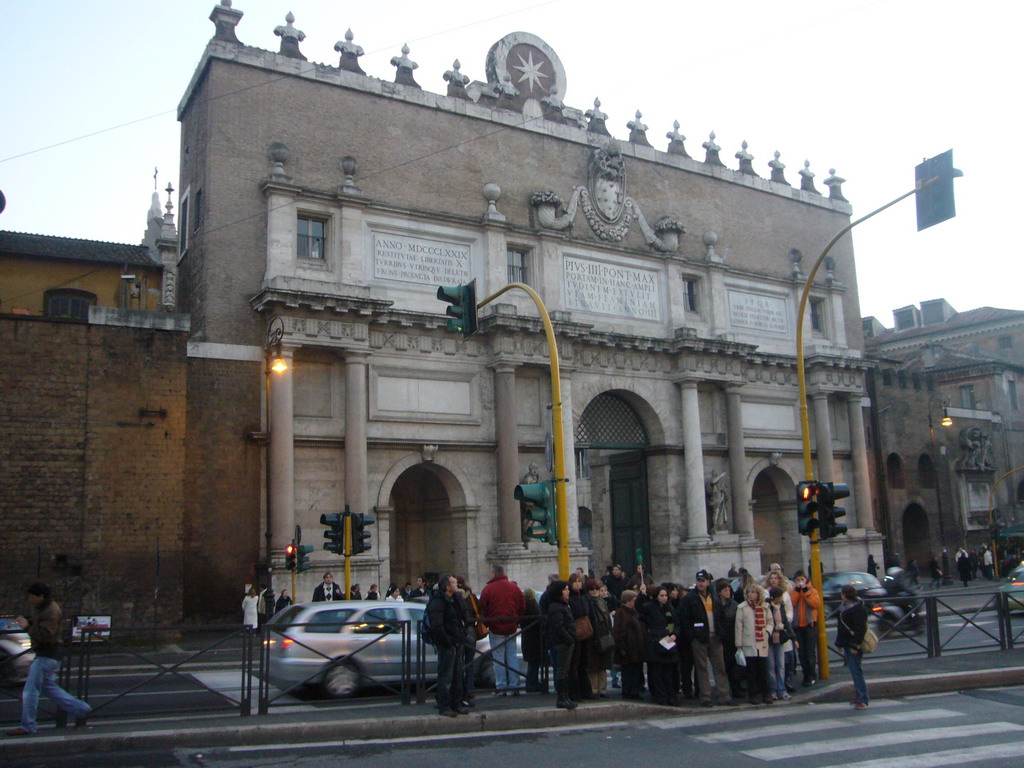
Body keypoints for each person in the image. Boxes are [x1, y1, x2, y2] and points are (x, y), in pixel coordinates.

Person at [6, 583, 93, 736]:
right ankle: (81, 709)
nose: (30, 599)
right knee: (49, 688)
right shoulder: (43, 608)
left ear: (41, 596)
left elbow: (46, 635)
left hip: (47, 654)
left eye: (32, 596)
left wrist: (27, 627)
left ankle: (28, 726)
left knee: (30, 691)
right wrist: (29, 622)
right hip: (48, 654)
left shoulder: (51, 611)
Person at [679, 569, 732, 707]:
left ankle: (724, 695)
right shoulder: (690, 598)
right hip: (699, 638)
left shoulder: (714, 597)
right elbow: (684, 619)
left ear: (708, 582)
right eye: (698, 581)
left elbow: (721, 616)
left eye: (703, 581)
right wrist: (692, 637)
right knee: (701, 668)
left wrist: (721, 632)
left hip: (715, 637)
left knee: (719, 667)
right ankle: (705, 696)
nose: (700, 583)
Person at [478, 564, 525, 695]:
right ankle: (515, 686)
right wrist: (517, 621)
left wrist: (487, 623)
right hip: (511, 627)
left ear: (493, 573)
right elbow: (522, 605)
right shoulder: (514, 588)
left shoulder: (488, 589)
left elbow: (482, 607)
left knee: (498, 658)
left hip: (496, 627)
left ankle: (501, 686)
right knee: (512, 656)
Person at [425, 574, 469, 717]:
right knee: (446, 676)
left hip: (457, 641)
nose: (458, 585)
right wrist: (448, 642)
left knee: (457, 675)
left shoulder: (454, 600)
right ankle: (444, 706)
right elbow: (437, 626)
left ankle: (456, 704)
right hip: (448, 644)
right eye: (454, 583)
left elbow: (464, 615)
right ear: (447, 587)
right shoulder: (438, 602)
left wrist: (459, 598)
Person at [735, 585, 774, 705]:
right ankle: (753, 695)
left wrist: (767, 631)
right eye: (749, 592)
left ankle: (766, 694)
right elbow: (739, 626)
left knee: (763, 670)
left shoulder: (765, 606)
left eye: (753, 592)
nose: (751, 594)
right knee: (751, 671)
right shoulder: (742, 607)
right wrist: (739, 644)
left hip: (762, 642)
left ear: (758, 594)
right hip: (748, 642)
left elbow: (770, 622)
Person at [642, 584, 679, 706]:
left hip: (669, 644)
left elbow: (676, 624)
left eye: (665, 595)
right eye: (661, 595)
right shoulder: (650, 607)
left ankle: (671, 696)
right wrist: (643, 594)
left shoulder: (670, 608)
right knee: (657, 673)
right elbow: (641, 613)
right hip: (656, 644)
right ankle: (660, 696)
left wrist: (674, 634)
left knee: (668, 673)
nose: (664, 598)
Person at [544, 580, 577, 709]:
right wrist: (569, 639)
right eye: (565, 590)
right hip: (562, 643)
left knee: (565, 670)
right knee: (562, 671)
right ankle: (561, 698)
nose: (568, 592)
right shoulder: (556, 607)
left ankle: (565, 697)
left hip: (566, 642)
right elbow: (559, 627)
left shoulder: (562, 605)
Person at [836, 583, 869, 709]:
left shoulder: (857, 609)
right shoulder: (845, 607)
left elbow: (860, 629)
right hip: (848, 643)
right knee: (855, 670)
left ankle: (862, 698)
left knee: (856, 671)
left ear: (844, 595)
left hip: (853, 644)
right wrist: (840, 643)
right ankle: (860, 697)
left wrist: (855, 645)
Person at [789, 571, 821, 687]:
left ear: (806, 580)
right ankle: (806, 674)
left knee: (810, 652)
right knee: (801, 653)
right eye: (797, 580)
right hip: (798, 626)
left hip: (809, 625)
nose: (800, 582)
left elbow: (816, 604)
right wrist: (798, 592)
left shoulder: (812, 591)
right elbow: (792, 603)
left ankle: (811, 675)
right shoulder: (793, 592)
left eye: (802, 579)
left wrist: (806, 592)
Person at [612, 589, 645, 700]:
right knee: (628, 672)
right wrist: (622, 648)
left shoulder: (633, 612)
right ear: (627, 600)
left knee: (635, 671)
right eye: (633, 600)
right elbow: (618, 632)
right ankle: (628, 691)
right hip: (627, 648)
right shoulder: (621, 613)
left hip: (636, 648)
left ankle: (634, 691)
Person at [714, 579, 743, 700]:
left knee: (734, 666)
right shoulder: (716, 604)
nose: (728, 592)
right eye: (725, 590)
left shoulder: (734, 605)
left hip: (732, 637)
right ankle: (724, 690)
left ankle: (736, 689)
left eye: (729, 590)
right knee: (722, 666)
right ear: (719, 592)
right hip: (721, 638)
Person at [586, 578, 614, 698]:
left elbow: (607, 617)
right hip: (593, 636)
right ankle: (594, 688)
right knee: (593, 665)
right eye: (592, 589)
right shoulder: (587, 602)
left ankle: (602, 689)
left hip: (604, 634)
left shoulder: (601, 601)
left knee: (603, 665)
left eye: (596, 588)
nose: (595, 591)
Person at [766, 586, 795, 701]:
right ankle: (773, 690)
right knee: (771, 666)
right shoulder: (767, 607)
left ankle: (781, 690)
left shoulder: (780, 607)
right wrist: (775, 628)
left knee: (781, 665)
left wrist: (793, 638)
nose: (781, 600)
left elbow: (786, 622)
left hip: (780, 638)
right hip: (770, 639)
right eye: (779, 597)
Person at [521, 587, 545, 693]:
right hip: (533, 639)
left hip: (528, 639)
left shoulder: (525, 605)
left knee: (533, 663)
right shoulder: (532, 605)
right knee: (533, 663)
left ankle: (532, 683)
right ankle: (531, 684)